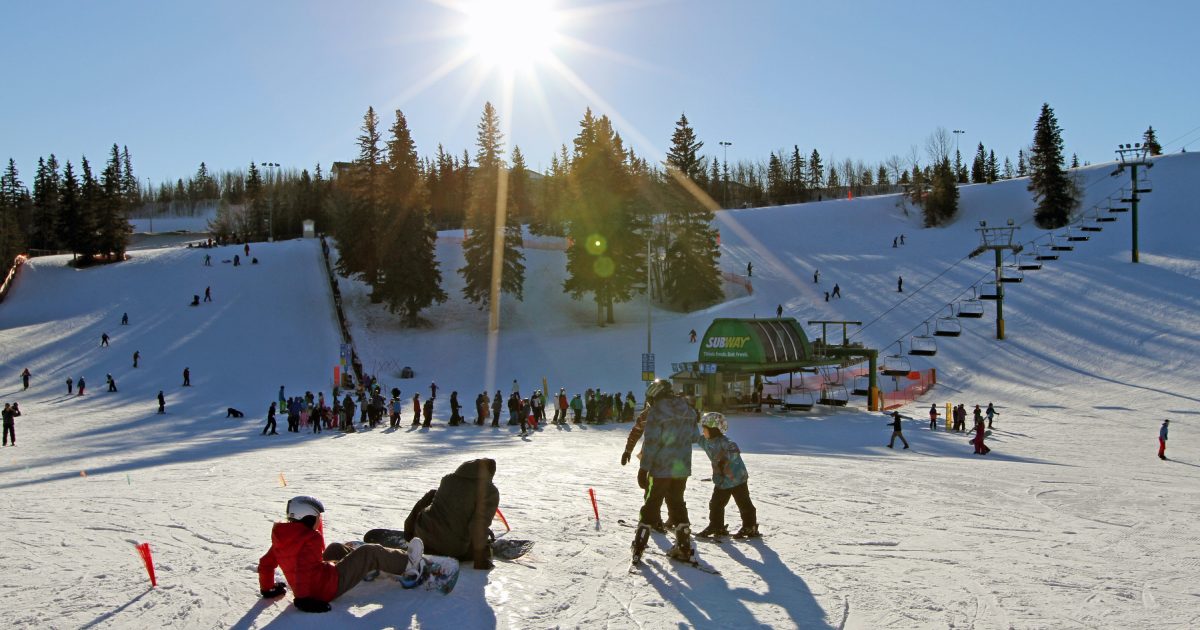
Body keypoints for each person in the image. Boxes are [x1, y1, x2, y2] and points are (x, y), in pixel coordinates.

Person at [259, 496, 425, 613]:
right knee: (369, 551)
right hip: (324, 589)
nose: (320, 520)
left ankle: (368, 569)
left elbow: (266, 563)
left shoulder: (283, 538)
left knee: (335, 548)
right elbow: (302, 569)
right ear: (307, 517)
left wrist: (268, 589)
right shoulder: (311, 538)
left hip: (316, 581)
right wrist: (304, 600)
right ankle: (409, 563)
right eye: (318, 516)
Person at [622, 379, 701, 564]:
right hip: (681, 467)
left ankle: (639, 545)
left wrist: (644, 468)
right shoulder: (687, 409)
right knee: (677, 503)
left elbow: (651, 443)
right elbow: (695, 436)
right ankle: (683, 546)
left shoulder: (656, 412)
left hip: (661, 469)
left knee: (651, 503)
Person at [403, 459, 499, 570]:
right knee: (486, 550)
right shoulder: (489, 491)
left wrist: (409, 533)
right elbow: (478, 525)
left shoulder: (448, 480)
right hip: (451, 549)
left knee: (432, 494)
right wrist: (480, 560)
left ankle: (409, 530)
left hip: (422, 539)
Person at [696, 412, 759, 539]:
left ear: (714, 430)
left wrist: (723, 460)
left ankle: (750, 526)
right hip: (723, 481)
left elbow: (734, 451)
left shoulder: (725, 442)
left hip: (737, 478)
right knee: (715, 504)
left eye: (705, 429)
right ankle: (716, 525)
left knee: (744, 503)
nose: (703, 432)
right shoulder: (706, 441)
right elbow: (694, 437)